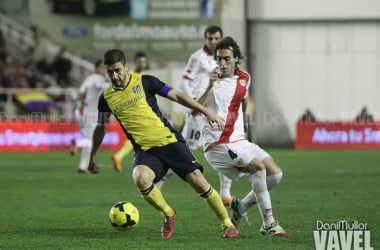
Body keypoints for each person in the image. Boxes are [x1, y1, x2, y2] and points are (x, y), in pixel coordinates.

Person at [90, 49, 238, 238]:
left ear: (126, 67)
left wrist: (206, 111)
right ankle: (169, 214)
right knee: (140, 177)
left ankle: (227, 223)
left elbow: (177, 96)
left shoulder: (145, 82)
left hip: (169, 141)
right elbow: (100, 127)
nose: (115, 76)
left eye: (118, 70)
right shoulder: (106, 98)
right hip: (145, 151)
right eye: (110, 72)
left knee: (199, 182)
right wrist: (92, 156)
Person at [195, 37, 289, 236]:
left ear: (236, 58)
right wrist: (210, 86)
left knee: (276, 174)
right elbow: (194, 110)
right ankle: (269, 223)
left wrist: (247, 119)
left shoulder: (245, 77)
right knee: (258, 168)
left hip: (239, 140)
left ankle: (241, 207)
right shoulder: (206, 79)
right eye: (219, 59)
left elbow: (245, 99)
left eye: (227, 59)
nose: (222, 63)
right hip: (217, 145)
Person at [156, 25, 234, 206]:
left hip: (218, 114)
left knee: (226, 147)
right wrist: (194, 103)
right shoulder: (197, 58)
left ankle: (225, 193)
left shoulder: (224, 58)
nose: (213, 42)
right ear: (205, 39)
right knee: (184, 152)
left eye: (216, 38)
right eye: (210, 38)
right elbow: (184, 83)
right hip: (198, 114)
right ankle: (158, 181)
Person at [111, 51, 148, 173]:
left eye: (143, 62)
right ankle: (122, 157)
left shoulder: (142, 76)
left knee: (138, 138)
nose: (141, 64)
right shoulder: (128, 76)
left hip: (141, 112)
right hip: (132, 113)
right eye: (139, 62)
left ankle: (124, 157)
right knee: (140, 137)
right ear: (135, 62)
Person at [70, 59, 109, 174]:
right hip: (90, 114)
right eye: (102, 68)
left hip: (80, 112)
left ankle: (83, 167)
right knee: (91, 141)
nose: (103, 70)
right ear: (96, 68)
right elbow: (102, 86)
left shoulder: (88, 79)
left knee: (89, 140)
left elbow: (81, 93)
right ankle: (77, 144)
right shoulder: (98, 79)